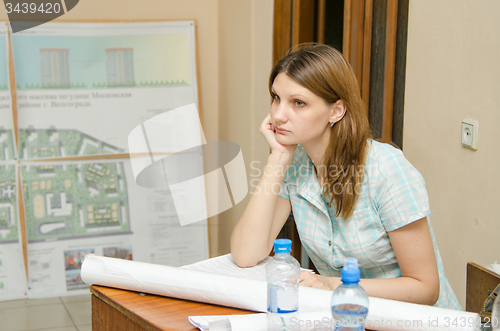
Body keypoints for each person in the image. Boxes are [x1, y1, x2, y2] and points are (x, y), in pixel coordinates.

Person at [230, 43, 461, 310]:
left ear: (336, 111)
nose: (278, 115)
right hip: (348, 317)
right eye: (276, 98)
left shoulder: (386, 169)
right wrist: (278, 157)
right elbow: (246, 254)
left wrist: (331, 284)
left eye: (298, 103)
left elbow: (425, 288)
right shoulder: (295, 164)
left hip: (416, 322)